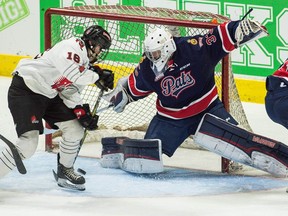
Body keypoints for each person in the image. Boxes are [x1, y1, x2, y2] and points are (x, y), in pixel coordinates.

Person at [101, 18, 288, 177]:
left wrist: (239, 29)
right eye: (150, 54)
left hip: (208, 109)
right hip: (170, 119)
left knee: (239, 140)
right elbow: (132, 88)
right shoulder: (147, 69)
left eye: (156, 53)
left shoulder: (194, 49)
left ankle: (259, 156)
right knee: (148, 157)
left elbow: (220, 35)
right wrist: (121, 96)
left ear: (167, 48)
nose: (153, 57)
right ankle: (117, 149)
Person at [0, 25, 114, 191]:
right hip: (26, 89)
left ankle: (65, 170)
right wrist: (97, 76)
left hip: (49, 94)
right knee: (28, 145)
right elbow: (72, 74)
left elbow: (69, 91)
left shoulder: (83, 64)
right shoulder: (73, 46)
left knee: (75, 129)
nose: (99, 51)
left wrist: (81, 112)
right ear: (90, 42)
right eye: (99, 46)